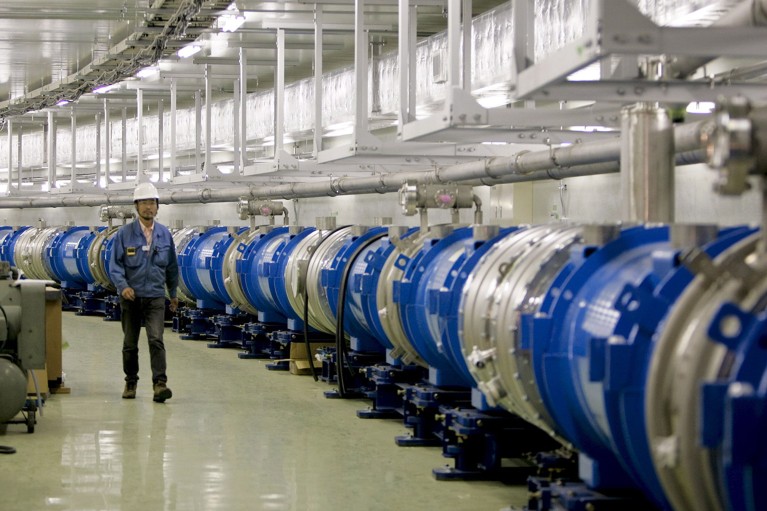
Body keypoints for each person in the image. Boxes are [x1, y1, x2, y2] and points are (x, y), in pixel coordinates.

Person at [109, 182, 179, 402]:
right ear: (136, 207)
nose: (148, 207)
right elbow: (115, 265)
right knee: (130, 343)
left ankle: (160, 384)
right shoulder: (124, 234)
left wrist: (174, 294)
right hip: (131, 297)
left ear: (157, 207)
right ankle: (131, 382)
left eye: (152, 203)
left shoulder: (164, 235)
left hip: (156, 296)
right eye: (144, 203)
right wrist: (123, 286)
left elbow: (171, 267)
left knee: (156, 340)